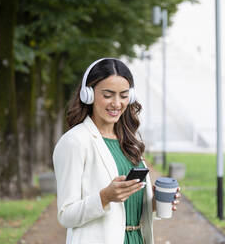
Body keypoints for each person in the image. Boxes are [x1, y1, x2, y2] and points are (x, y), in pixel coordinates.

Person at [53, 58, 180, 244]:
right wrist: (105, 197)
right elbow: (66, 215)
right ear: (88, 94)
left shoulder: (129, 140)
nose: (117, 103)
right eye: (108, 95)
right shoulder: (74, 142)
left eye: (123, 95)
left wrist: (152, 203)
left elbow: (128, 210)